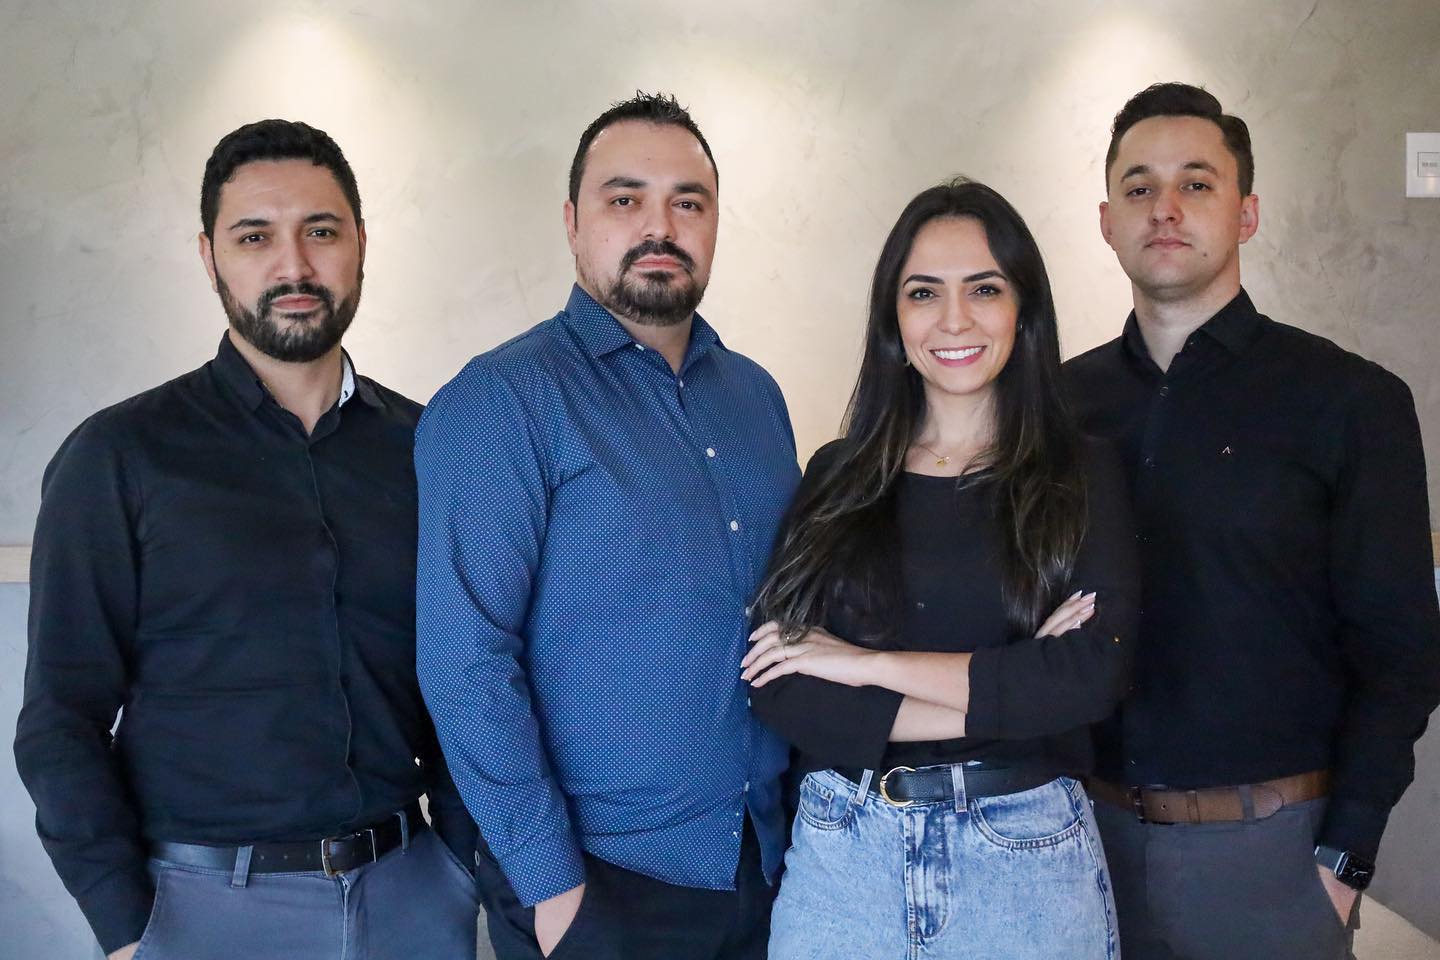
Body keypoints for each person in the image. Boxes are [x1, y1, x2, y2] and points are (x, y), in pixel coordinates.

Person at [13, 120, 478, 960]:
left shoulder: (431, 448)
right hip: (199, 913)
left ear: (361, 244)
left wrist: (462, 867)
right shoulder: (119, 456)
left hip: (411, 898)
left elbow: (466, 683)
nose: (293, 266)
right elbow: (60, 717)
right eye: (255, 236)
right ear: (209, 256)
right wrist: (127, 929)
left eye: (321, 232)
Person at [415, 92, 799, 960]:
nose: (659, 226)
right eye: (625, 199)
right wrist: (554, 892)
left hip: (764, 862)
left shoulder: (757, 398)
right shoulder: (504, 400)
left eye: (687, 202)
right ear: (572, 222)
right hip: (601, 885)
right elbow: (465, 663)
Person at [1064, 82, 1440, 959]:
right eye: (1138, 187)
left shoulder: (1350, 402)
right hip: (1079, 847)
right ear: (1107, 222)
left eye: (1196, 183)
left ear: (1248, 213)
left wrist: (1346, 852)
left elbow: (1403, 652)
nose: (1165, 207)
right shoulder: (1054, 406)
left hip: (1271, 852)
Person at [743, 178, 1139, 959]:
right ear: (894, 317)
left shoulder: (1081, 473)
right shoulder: (837, 474)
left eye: (984, 289)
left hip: (1025, 860)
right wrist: (1011, 687)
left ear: (1023, 308)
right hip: (843, 858)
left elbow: (1091, 676)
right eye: (924, 292)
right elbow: (780, 684)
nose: (954, 319)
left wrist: (862, 665)